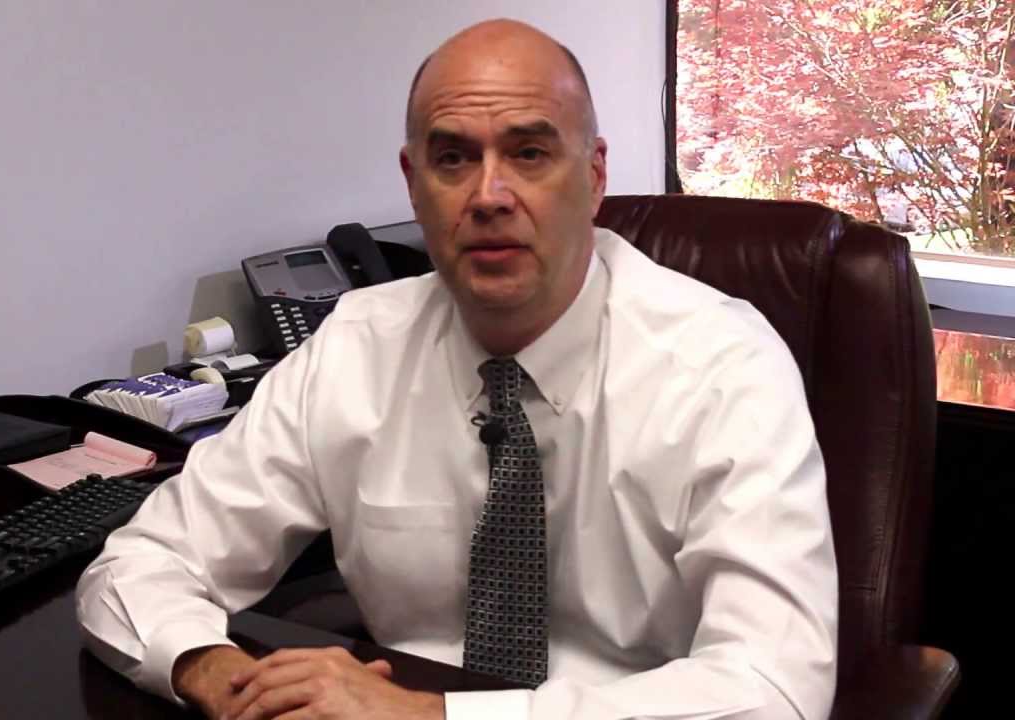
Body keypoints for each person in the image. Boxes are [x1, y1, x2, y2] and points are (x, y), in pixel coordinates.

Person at [77, 18, 838, 720]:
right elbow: (143, 564)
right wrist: (221, 677)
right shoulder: (355, 347)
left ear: (595, 175)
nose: (488, 196)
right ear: (414, 184)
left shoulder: (723, 366)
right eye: (453, 158)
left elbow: (775, 687)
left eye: (529, 153)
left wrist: (435, 717)